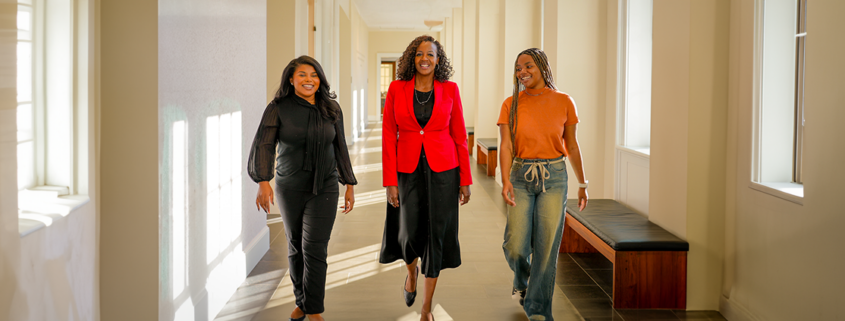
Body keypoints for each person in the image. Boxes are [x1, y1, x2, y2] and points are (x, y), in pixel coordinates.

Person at [248, 55, 357, 321]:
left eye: (314, 75)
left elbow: (340, 146)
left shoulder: (331, 108)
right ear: (291, 79)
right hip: (290, 187)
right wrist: (263, 181)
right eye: (303, 75)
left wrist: (349, 183)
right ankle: (301, 301)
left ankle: (314, 309)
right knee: (296, 246)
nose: (309, 80)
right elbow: (264, 144)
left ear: (320, 79)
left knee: (315, 248)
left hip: (326, 186)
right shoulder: (278, 108)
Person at [379, 35, 472, 321]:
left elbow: (459, 135)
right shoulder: (397, 89)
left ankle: (426, 308)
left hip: (444, 170)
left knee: (436, 235)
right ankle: (410, 274)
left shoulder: (450, 90)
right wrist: (390, 181)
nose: (425, 59)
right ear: (412, 58)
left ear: (438, 60)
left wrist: (465, 179)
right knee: (407, 233)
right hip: (407, 170)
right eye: (419, 54)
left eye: (430, 54)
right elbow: (387, 135)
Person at [497, 48, 589, 321]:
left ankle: (537, 309)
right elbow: (506, 146)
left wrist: (583, 183)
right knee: (515, 245)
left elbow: (571, 145)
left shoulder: (564, 101)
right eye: (517, 68)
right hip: (521, 175)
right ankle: (523, 280)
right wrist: (504, 181)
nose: (522, 72)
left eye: (528, 66)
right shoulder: (510, 103)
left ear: (542, 66)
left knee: (546, 246)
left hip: (555, 176)